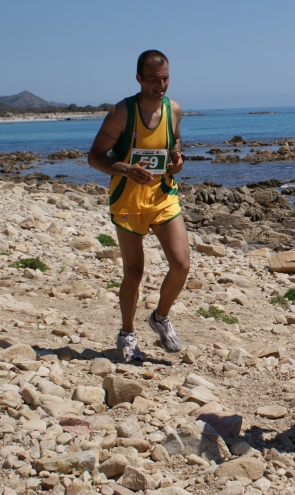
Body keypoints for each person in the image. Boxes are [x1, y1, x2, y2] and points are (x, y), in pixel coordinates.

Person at [88, 50, 189, 362]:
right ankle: (127, 333)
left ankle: (159, 317)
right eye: (154, 80)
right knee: (134, 272)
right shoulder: (122, 113)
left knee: (181, 265)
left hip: (162, 196)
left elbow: (175, 146)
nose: (161, 85)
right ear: (139, 79)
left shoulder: (174, 110)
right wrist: (127, 169)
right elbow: (95, 157)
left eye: (166, 78)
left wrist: (176, 163)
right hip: (128, 200)